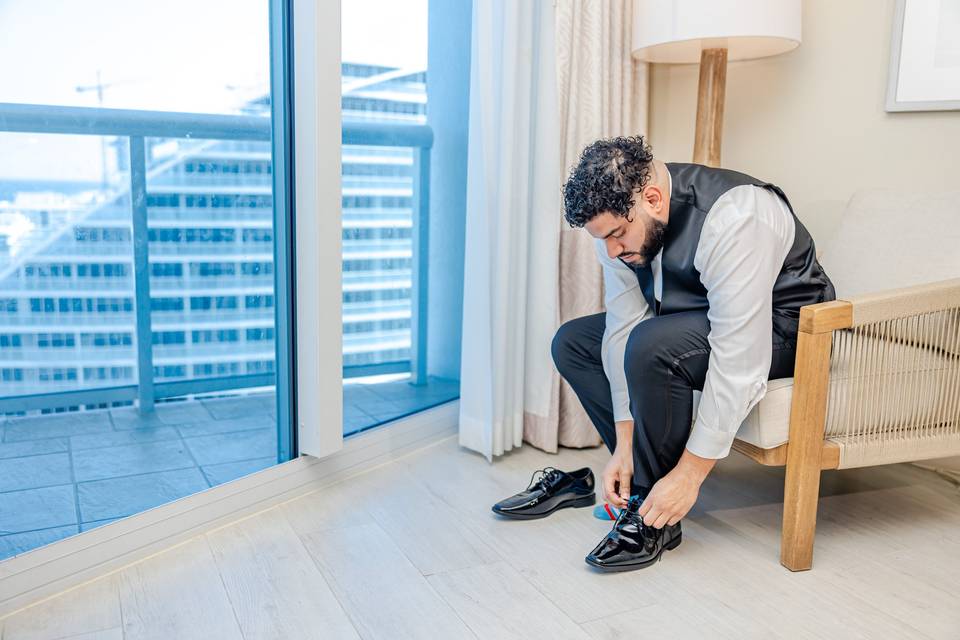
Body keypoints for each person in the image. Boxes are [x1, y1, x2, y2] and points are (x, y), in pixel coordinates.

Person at [552, 135, 835, 571]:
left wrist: (691, 477)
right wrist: (622, 442)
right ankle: (640, 480)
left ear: (652, 198)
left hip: (784, 330)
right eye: (602, 239)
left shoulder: (738, 215)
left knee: (653, 345)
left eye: (617, 235)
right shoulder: (619, 224)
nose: (611, 251)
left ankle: (654, 513)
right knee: (574, 342)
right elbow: (622, 327)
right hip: (695, 320)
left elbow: (739, 359)